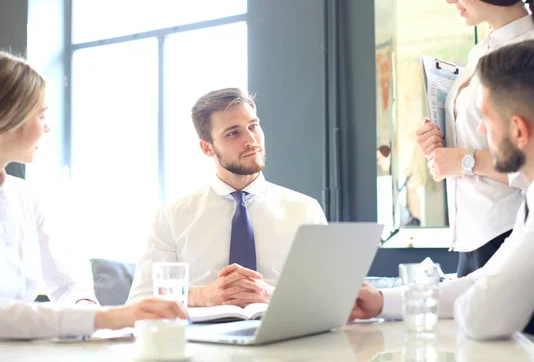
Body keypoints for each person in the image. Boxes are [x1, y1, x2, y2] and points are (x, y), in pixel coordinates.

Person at [351, 36, 534, 357]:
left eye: (486, 118)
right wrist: (383, 301)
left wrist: (484, 296)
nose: (481, 131)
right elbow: (481, 282)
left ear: (519, 130)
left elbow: (485, 315)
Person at [0, 51, 188, 339]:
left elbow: (66, 284)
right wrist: (106, 318)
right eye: (41, 115)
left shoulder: (25, 196)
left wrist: (86, 308)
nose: (47, 126)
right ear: (8, 119)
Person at [415, 0, 534, 278]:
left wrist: (465, 161)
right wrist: (439, 143)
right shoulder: (481, 52)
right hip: (473, 239)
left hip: (513, 235)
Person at [128, 88, 327, 308]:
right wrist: (199, 296)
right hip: (198, 340)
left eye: (253, 126)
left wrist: (272, 296)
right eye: (233, 133)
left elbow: (328, 297)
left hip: (287, 337)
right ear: (207, 148)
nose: (251, 140)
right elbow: (139, 302)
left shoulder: (306, 210)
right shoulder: (172, 217)